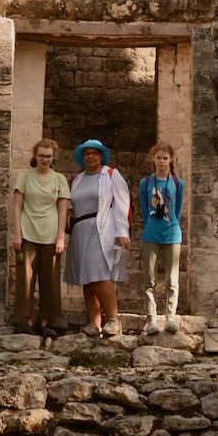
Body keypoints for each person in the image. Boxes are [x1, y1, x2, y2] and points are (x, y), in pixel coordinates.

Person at [64, 138, 131, 338]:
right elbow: (73, 202)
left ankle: (113, 319)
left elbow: (122, 203)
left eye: (94, 153)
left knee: (99, 273)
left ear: (101, 156)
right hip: (80, 230)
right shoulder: (78, 179)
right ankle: (94, 323)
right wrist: (68, 211)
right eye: (87, 153)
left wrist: (121, 231)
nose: (90, 156)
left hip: (101, 228)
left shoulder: (111, 175)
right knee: (86, 277)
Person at [12, 138, 70, 337]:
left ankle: (45, 322)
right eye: (41, 155)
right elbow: (17, 206)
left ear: (54, 157)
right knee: (25, 279)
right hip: (27, 233)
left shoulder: (59, 179)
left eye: (48, 156)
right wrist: (17, 233)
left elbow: (62, 210)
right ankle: (27, 321)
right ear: (35, 156)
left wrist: (61, 237)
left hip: (51, 235)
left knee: (50, 280)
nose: (45, 159)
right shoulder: (24, 176)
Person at [139, 142, 184, 334]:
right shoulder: (145, 183)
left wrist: (172, 224)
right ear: (153, 159)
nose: (162, 161)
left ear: (171, 159)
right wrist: (151, 224)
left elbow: (178, 209)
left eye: (165, 158)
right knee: (149, 278)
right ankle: (151, 318)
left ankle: (170, 318)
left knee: (172, 279)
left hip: (172, 234)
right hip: (151, 233)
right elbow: (144, 208)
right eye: (159, 158)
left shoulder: (177, 183)